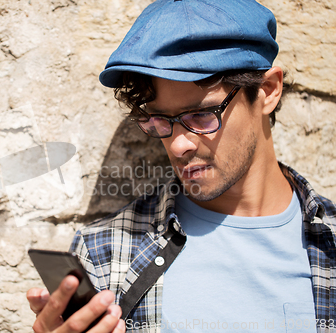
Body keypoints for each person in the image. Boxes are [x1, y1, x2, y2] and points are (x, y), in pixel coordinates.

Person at [27, 0, 336, 332]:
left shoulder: (329, 243)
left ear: (267, 90)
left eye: (202, 115)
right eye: (160, 120)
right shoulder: (106, 254)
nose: (178, 144)